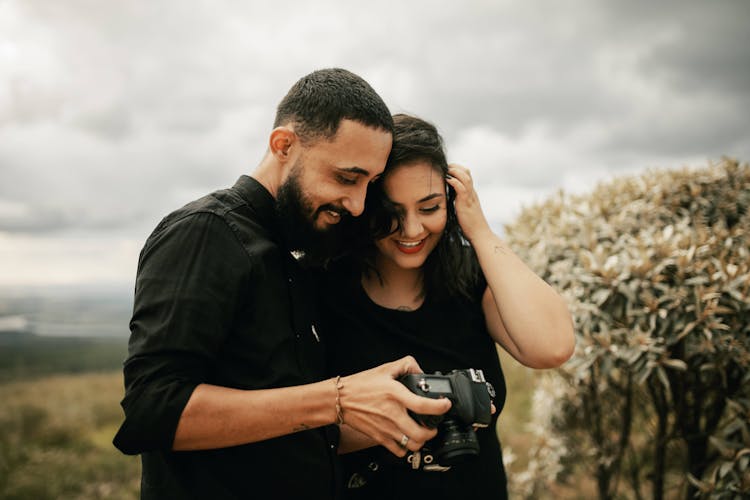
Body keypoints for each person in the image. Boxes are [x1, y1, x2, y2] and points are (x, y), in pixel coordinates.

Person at [112, 70, 451, 499]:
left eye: (369, 183)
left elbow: (287, 429)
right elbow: (151, 412)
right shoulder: (206, 232)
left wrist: (392, 410)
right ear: (284, 145)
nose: (358, 203)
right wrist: (338, 398)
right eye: (347, 178)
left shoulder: (301, 248)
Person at [318, 114, 576, 498]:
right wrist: (399, 416)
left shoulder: (470, 279)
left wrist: (479, 228)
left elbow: (551, 346)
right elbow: (296, 431)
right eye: (391, 212)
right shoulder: (322, 288)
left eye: (429, 207)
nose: (411, 230)